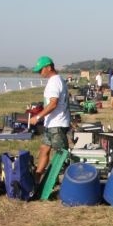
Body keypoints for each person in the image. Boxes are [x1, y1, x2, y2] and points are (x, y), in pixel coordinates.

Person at [29, 56, 71, 184]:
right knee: (44, 149)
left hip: (57, 124)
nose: (39, 73)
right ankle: (37, 176)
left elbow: (53, 104)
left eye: (40, 70)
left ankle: (66, 183)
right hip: (51, 124)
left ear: (49, 67)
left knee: (61, 157)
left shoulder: (54, 81)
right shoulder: (55, 80)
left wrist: (38, 117)